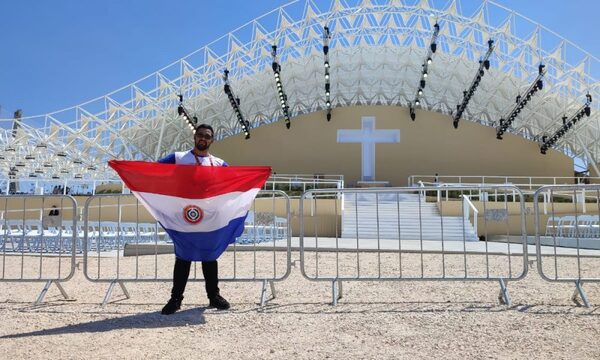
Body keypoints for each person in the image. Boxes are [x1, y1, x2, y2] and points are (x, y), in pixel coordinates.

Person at [158, 123, 231, 314]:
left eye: (207, 136)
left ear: (212, 140)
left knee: (210, 256)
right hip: (184, 216)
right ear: (194, 137)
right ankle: (175, 299)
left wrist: (258, 176)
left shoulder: (218, 163)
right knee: (183, 257)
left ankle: (213, 296)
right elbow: (154, 171)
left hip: (209, 218)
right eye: (200, 135)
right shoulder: (179, 157)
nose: (203, 139)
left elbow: (234, 179)